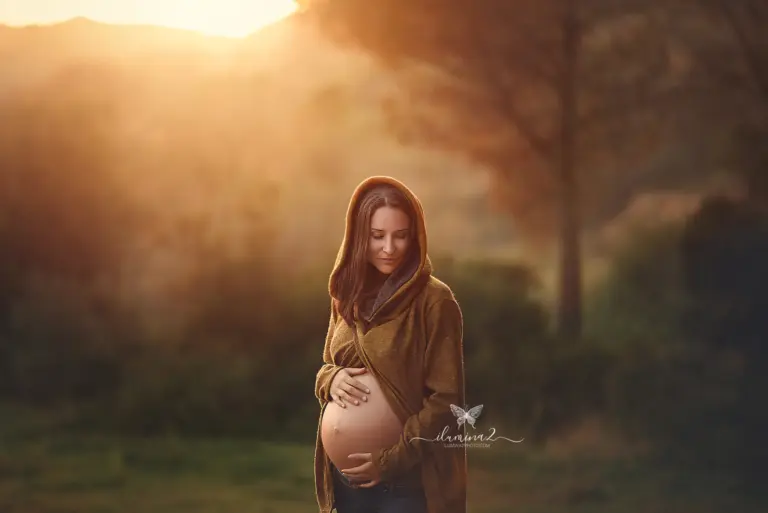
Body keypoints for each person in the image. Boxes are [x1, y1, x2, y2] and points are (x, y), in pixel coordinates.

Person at [313, 176, 468, 513]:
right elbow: (328, 366)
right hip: (347, 483)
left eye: (401, 235)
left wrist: (390, 460)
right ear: (359, 236)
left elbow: (446, 400)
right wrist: (331, 379)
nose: (389, 248)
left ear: (415, 237)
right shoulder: (347, 293)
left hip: (407, 483)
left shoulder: (435, 301)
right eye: (377, 235)